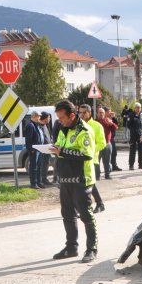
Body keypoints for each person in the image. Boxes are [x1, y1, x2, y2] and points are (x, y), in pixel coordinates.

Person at [50, 100, 98, 263]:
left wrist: (62, 152)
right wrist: (55, 149)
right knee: (68, 215)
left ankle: (91, 249)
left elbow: (86, 154)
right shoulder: (63, 129)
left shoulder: (84, 130)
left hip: (81, 180)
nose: (59, 121)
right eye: (58, 118)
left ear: (72, 115)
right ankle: (71, 247)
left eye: (61, 117)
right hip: (65, 179)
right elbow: (60, 146)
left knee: (86, 216)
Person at [79, 104, 107, 213]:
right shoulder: (78, 125)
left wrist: (90, 150)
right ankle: (94, 204)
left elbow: (102, 143)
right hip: (80, 160)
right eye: (80, 112)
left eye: (84, 112)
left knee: (90, 183)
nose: (81, 115)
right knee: (85, 184)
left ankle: (97, 204)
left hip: (92, 160)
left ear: (90, 113)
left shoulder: (96, 126)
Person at [24, 111, 45, 189]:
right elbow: (28, 139)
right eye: (38, 116)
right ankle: (33, 184)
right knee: (33, 167)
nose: (39, 118)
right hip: (34, 150)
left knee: (39, 166)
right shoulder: (30, 125)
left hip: (39, 149)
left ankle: (39, 182)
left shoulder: (36, 125)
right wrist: (31, 149)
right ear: (34, 117)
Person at [96, 106, 116, 179]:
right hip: (97, 145)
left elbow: (115, 128)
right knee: (96, 161)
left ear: (104, 114)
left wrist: (112, 123)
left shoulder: (107, 120)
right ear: (97, 113)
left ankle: (107, 174)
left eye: (102, 113)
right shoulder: (95, 122)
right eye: (100, 113)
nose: (101, 114)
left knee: (107, 161)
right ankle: (97, 175)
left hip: (107, 144)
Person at [126, 103, 142, 170]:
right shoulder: (131, 115)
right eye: (137, 107)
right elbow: (128, 125)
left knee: (141, 150)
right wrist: (134, 131)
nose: (139, 109)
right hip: (133, 135)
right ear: (135, 108)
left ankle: (141, 164)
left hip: (140, 135)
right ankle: (131, 165)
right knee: (132, 150)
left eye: (140, 107)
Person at [39, 111, 54, 186]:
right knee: (42, 165)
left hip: (47, 149)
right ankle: (41, 180)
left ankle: (44, 179)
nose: (50, 119)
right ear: (45, 118)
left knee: (46, 165)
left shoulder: (46, 125)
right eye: (48, 117)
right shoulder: (39, 126)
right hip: (42, 149)